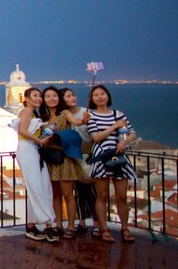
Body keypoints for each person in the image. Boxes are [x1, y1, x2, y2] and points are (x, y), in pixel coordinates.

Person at [86, 84, 138, 244]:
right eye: (96, 95)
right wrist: (115, 126)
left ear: (108, 96)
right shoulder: (90, 116)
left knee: (122, 196)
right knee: (101, 195)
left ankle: (124, 227)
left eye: (102, 93)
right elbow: (95, 137)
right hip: (102, 157)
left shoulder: (119, 114)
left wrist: (124, 143)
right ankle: (104, 228)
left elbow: (133, 133)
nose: (100, 96)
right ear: (92, 99)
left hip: (119, 157)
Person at [11, 87, 59, 242]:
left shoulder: (33, 113)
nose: (39, 99)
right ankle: (48, 224)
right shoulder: (26, 111)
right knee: (37, 187)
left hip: (34, 150)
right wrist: (40, 141)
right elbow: (23, 131)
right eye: (35, 96)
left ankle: (32, 225)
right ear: (26, 98)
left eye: (40, 96)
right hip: (28, 149)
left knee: (42, 186)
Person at [40, 86, 87, 240]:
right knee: (55, 195)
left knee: (68, 194)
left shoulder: (64, 113)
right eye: (48, 96)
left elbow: (76, 121)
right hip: (51, 159)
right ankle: (58, 225)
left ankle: (71, 226)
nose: (51, 98)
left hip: (64, 158)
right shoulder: (44, 118)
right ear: (44, 100)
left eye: (54, 95)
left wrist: (83, 120)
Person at [59, 87, 97, 234]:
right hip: (74, 154)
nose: (72, 98)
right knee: (79, 189)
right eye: (68, 96)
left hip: (90, 152)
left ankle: (96, 221)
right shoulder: (64, 116)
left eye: (73, 95)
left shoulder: (86, 112)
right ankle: (81, 220)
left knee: (92, 188)